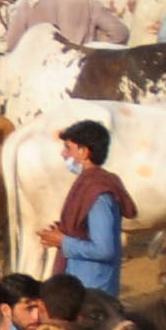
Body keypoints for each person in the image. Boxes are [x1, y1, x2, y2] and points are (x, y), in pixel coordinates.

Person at [40, 118, 132, 301]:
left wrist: (63, 241)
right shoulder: (88, 184)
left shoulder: (98, 193)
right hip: (81, 287)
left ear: (84, 152)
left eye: (68, 148)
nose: (63, 154)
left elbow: (104, 249)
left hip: (93, 292)